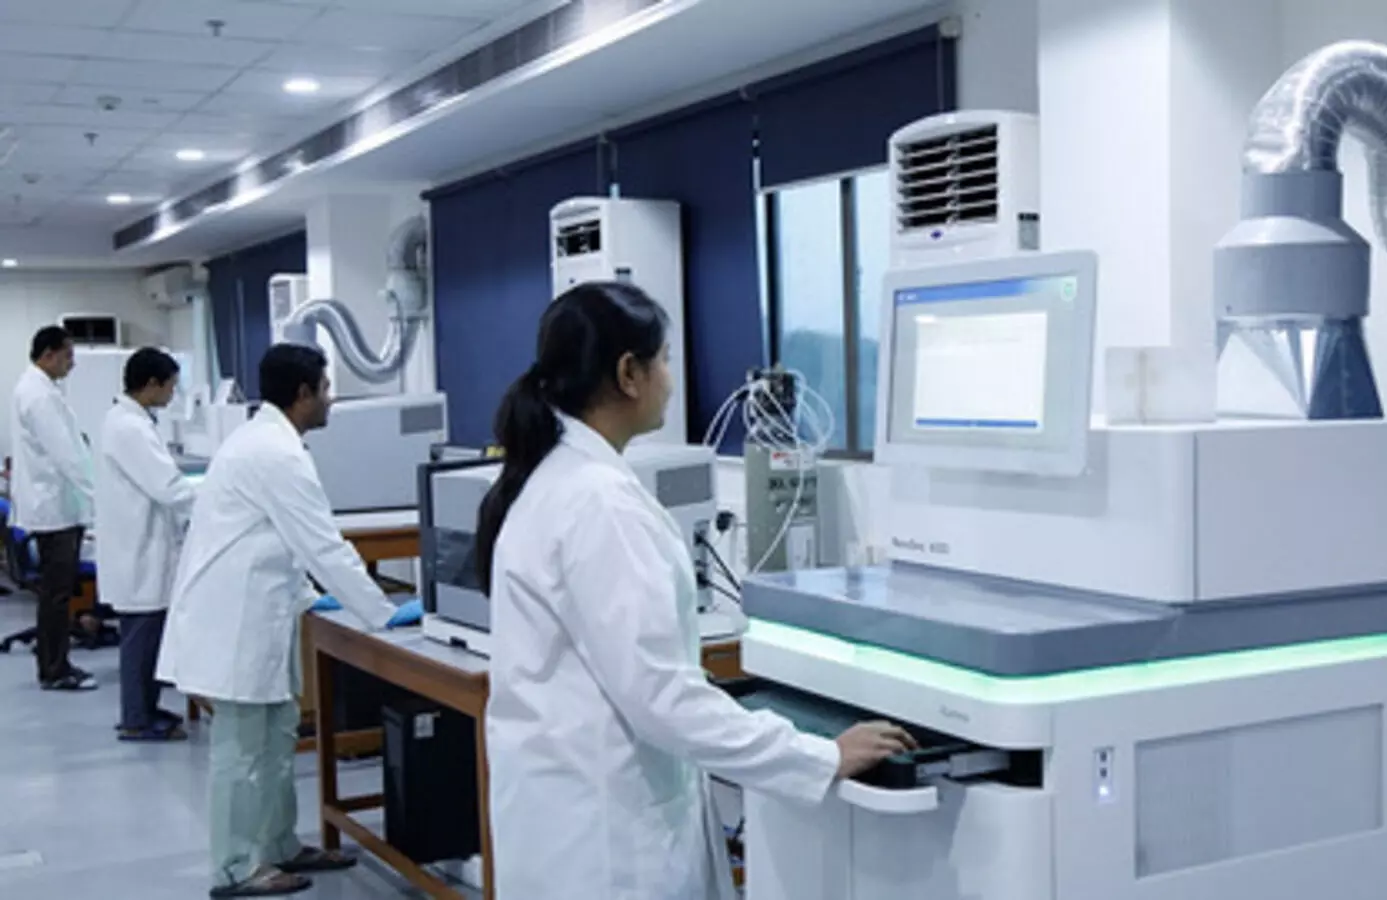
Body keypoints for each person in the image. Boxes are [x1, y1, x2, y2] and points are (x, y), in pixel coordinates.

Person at [476, 282, 916, 900]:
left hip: (563, 819)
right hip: (607, 845)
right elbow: (662, 698)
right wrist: (819, 756)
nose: (670, 377)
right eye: (663, 359)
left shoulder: (557, 478)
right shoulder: (600, 504)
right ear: (629, 374)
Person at [156, 343, 397, 898]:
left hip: (264, 614)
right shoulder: (275, 453)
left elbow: (274, 540)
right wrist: (384, 616)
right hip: (235, 623)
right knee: (242, 751)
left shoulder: (266, 442)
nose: (331, 399)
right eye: (326, 388)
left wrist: (312, 597)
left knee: (276, 737)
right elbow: (323, 545)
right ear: (304, 393)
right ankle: (235, 869)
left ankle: (279, 844)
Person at [97, 347, 196, 741]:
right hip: (138, 550)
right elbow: (168, 487)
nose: (173, 393)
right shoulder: (130, 428)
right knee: (141, 639)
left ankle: (145, 709)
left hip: (138, 545)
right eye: (171, 386)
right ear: (152, 384)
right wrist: (217, 501)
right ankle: (136, 720)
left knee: (147, 638)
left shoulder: (128, 420)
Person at [9, 325, 96, 691]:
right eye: (68, 356)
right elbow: (67, 455)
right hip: (54, 509)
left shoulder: (37, 388)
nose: (71, 364)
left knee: (54, 594)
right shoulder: (39, 395)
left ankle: (54, 662)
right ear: (48, 354)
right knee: (57, 595)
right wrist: (98, 495)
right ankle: (55, 669)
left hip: (53, 505)